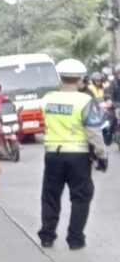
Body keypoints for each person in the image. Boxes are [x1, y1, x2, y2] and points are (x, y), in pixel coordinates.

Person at [38, 59, 108, 250]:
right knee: (81, 196)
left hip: (53, 154)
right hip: (78, 155)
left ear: (60, 78)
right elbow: (93, 132)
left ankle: (47, 236)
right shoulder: (84, 101)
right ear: (80, 80)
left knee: (50, 195)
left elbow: (45, 121)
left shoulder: (47, 99)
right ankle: (75, 239)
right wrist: (102, 155)